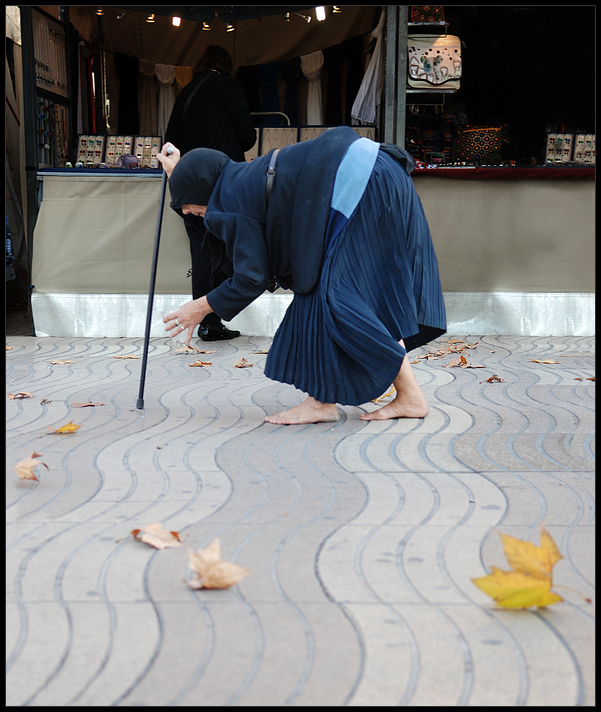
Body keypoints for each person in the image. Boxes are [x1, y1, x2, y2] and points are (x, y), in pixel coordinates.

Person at [157, 126, 446, 425]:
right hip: (381, 172)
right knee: (353, 299)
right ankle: (408, 397)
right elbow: (199, 184)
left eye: (186, 204)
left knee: (335, 299)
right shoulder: (235, 181)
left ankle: (321, 405)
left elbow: (250, 279)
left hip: (363, 183)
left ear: (199, 189)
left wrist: (199, 308)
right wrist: (180, 173)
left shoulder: (230, 204)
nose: (187, 212)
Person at [164, 45, 257, 341]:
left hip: (189, 183)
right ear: (225, 65)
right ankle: (214, 319)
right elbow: (247, 137)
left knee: (201, 251)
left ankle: (204, 321)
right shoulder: (230, 86)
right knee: (227, 246)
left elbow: (170, 143)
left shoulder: (186, 92)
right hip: (224, 181)